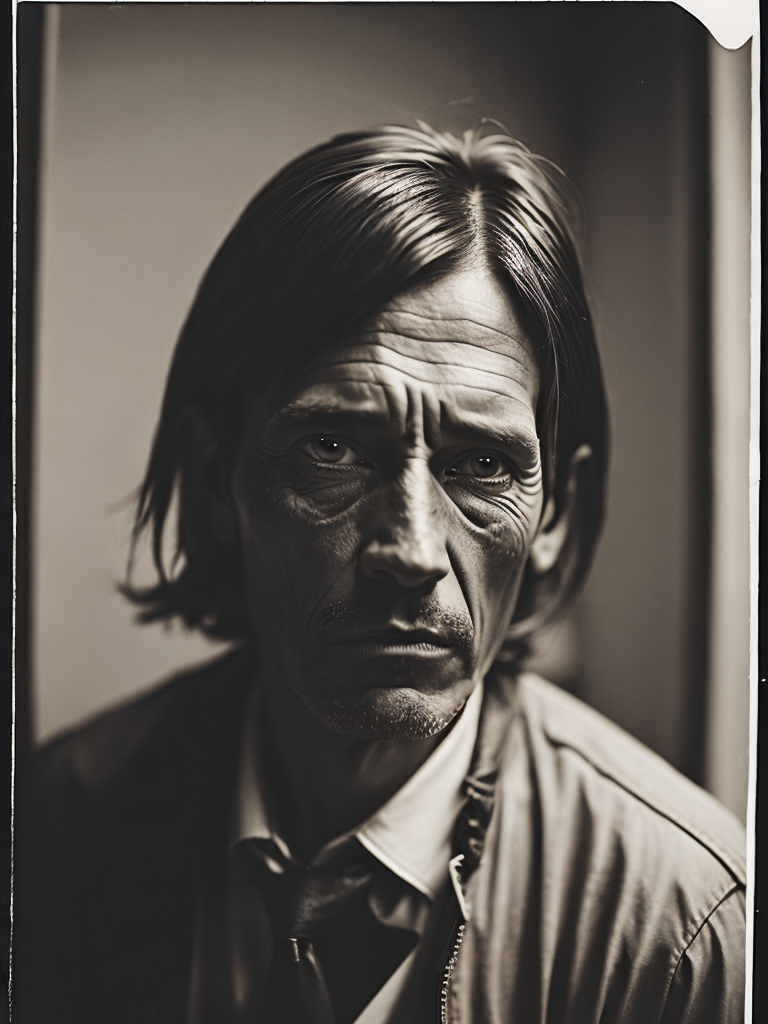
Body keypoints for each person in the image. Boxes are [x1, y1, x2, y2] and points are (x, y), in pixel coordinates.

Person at [14, 123, 745, 1023]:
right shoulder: (60, 831)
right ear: (215, 481)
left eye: (482, 465)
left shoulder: (679, 933)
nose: (411, 552)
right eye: (333, 449)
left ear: (552, 511)